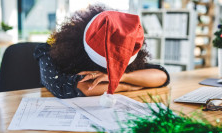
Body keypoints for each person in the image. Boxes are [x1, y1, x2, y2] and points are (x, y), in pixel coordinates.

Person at [34, 4, 170, 98]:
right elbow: (62, 87)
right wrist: (126, 87)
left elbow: (162, 75)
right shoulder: (48, 50)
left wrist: (118, 77)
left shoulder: (125, 46)